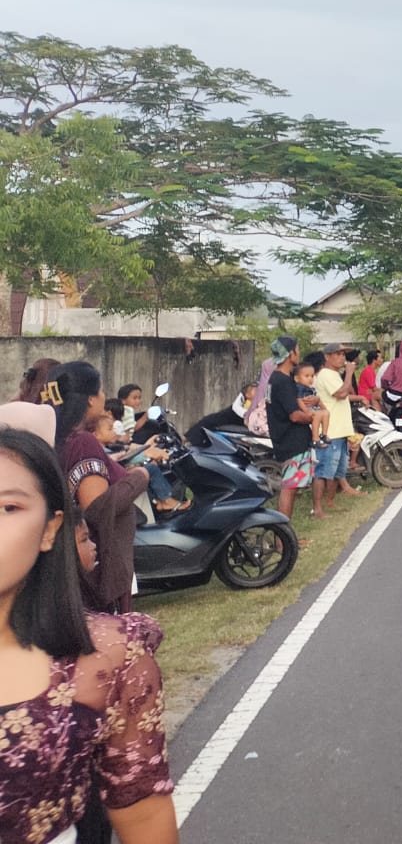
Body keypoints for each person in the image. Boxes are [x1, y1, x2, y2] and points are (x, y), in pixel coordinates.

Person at [0, 426, 179, 844]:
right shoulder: (85, 447)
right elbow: (100, 504)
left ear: (50, 529)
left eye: (7, 507)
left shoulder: (108, 660)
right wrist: (139, 475)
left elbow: (145, 819)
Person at [44, 361, 149, 615]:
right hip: (100, 571)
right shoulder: (82, 442)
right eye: (101, 391)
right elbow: (97, 508)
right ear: (90, 400)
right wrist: (139, 477)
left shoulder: (55, 438)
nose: (104, 398)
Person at [264, 337, 319, 529]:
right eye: (297, 349)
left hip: (284, 439)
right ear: (290, 354)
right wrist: (313, 417)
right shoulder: (283, 381)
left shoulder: (274, 378)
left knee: (291, 487)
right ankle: (283, 539)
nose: (299, 353)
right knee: (289, 488)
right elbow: (294, 416)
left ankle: (285, 535)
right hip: (292, 441)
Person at [312, 349, 366, 514]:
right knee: (324, 472)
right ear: (327, 357)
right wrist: (349, 373)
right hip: (330, 432)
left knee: (338, 471)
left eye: (343, 354)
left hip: (340, 431)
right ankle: (318, 508)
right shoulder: (327, 374)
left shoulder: (334, 374)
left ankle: (329, 502)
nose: (342, 357)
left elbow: (341, 395)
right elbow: (342, 393)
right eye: (337, 354)